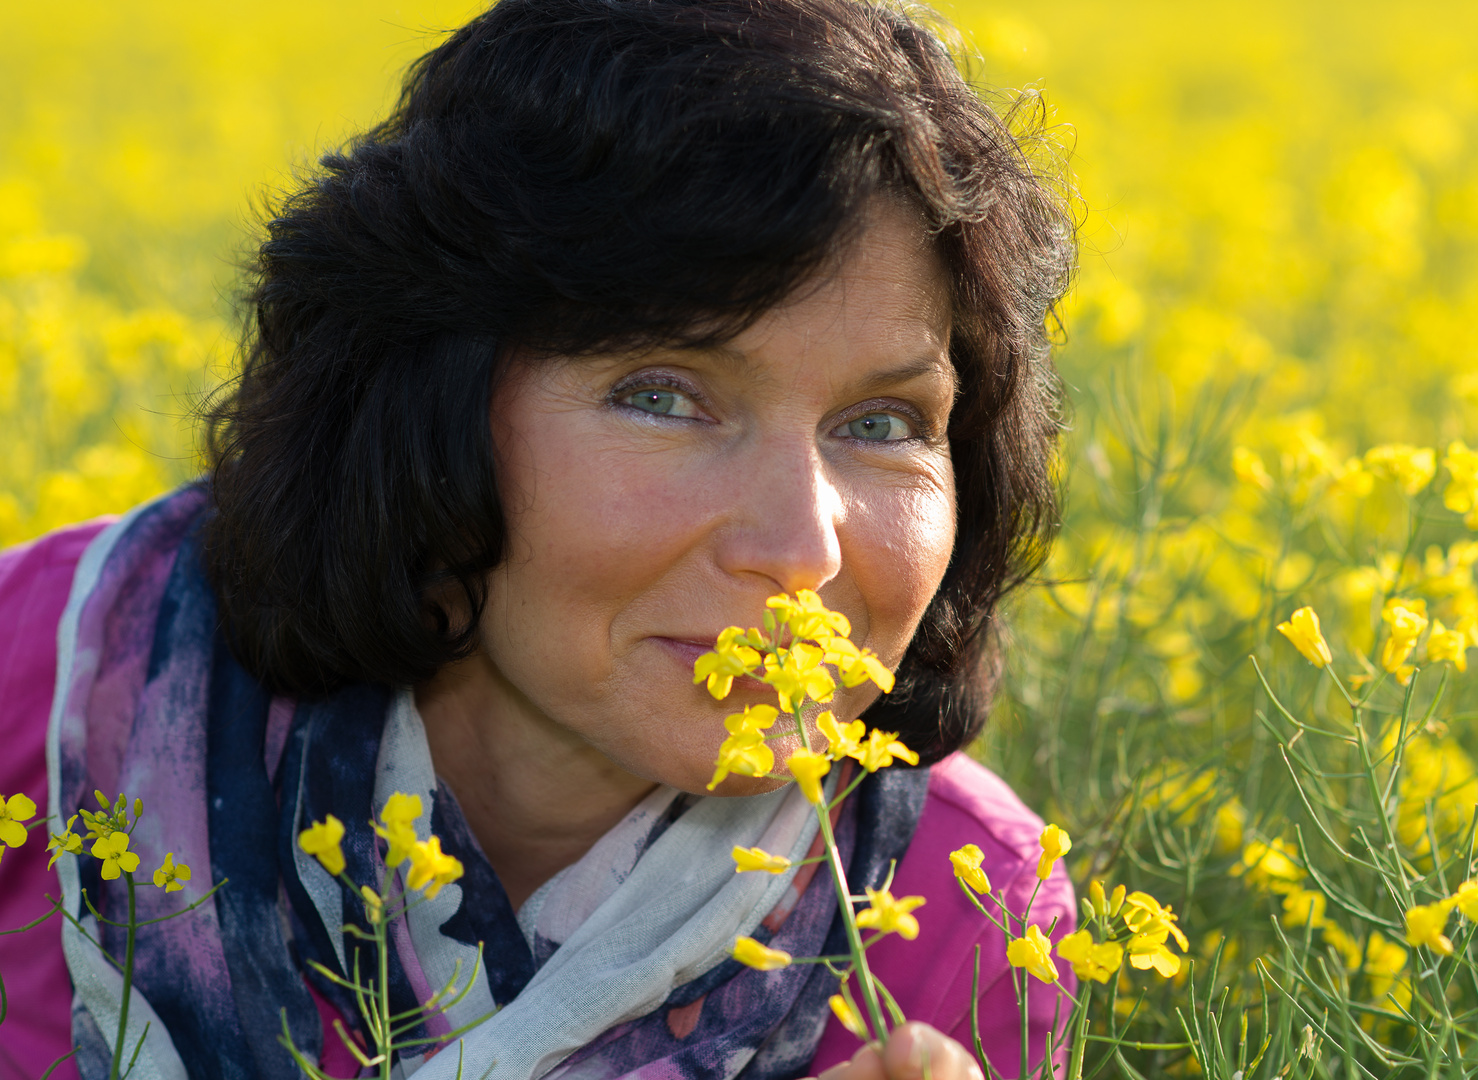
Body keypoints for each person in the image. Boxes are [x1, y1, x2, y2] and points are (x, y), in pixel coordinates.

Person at [0, 1, 1076, 1078]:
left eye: (881, 425)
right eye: (661, 396)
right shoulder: (38, 677)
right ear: (429, 407)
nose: (802, 550)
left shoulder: (967, 922)